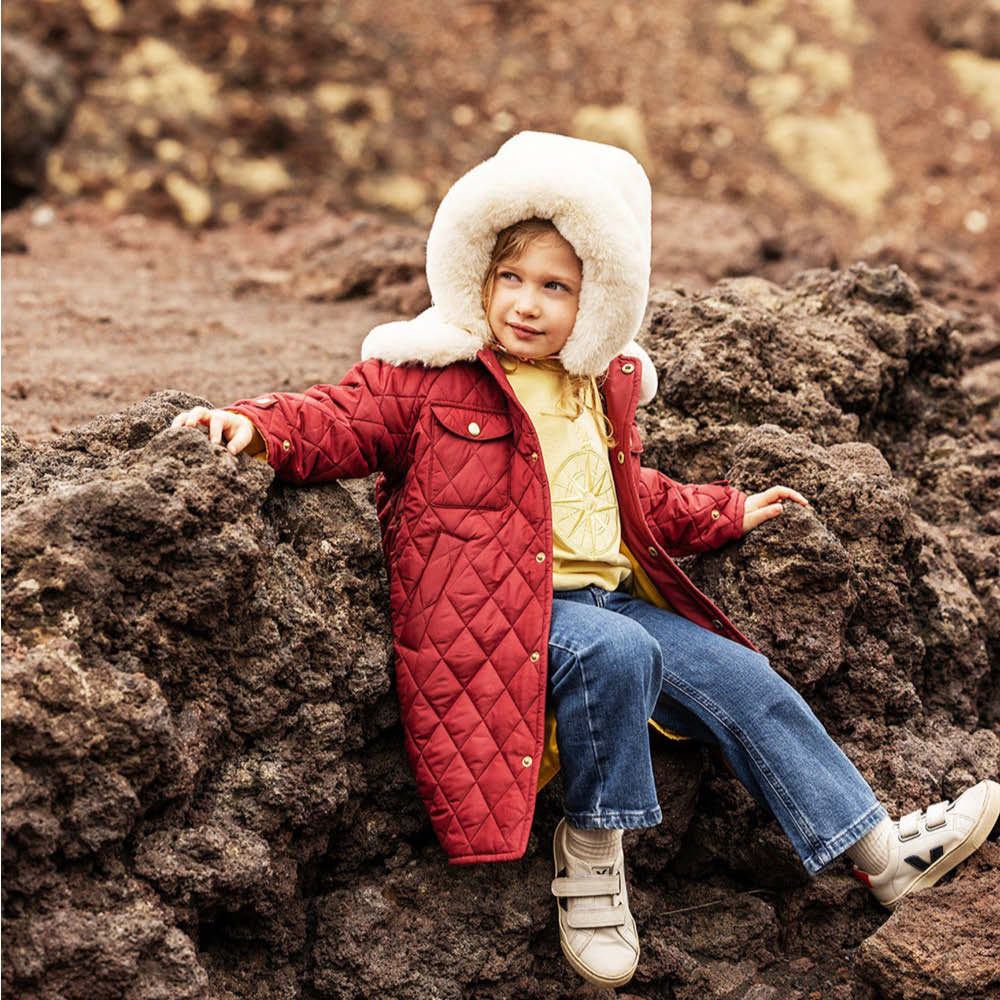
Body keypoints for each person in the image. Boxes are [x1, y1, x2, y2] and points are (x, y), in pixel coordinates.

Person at [170, 131, 1000, 989]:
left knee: (747, 681)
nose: (526, 305)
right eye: (511, 280)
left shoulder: (598, 385)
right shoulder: (433, 377)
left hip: (611, 599)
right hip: (509, 612)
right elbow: (335, 417)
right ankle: (595, 853)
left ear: (597, 297)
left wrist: (722, 509)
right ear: (481, 280)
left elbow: (629, 499)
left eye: (555, 287)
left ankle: (876, 852)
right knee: (619, 652)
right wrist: (257, 426)